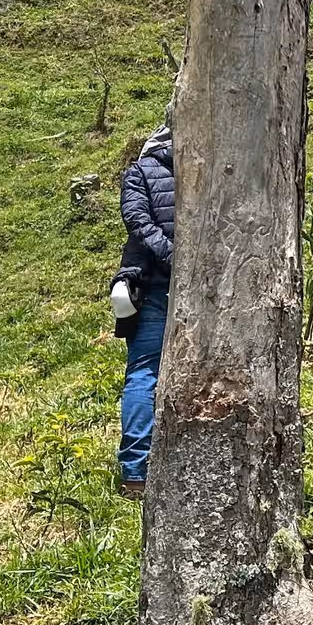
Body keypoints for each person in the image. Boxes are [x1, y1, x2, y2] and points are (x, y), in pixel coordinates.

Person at [115, 120, 176, 493]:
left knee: (143, 374)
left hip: (153, 284)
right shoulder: (210, 162)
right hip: (208, 287)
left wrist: (171, 257)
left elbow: (136, 219)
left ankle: (136, 473)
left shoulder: (140, 171)